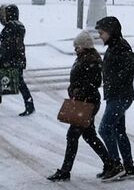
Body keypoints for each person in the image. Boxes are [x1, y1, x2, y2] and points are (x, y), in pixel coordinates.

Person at [47, 30, 112, 181]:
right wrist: (74, 90)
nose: (75, 49)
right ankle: (110, 163)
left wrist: (77, 91)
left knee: (72, 136)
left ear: (85, 46)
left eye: (77, 47)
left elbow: (93, 83)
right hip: (84, 101)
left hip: (86, 102)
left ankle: (65, 171)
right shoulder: (84, 58)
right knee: (89, 136)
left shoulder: (91, 60)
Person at [94, 15, 134, 180]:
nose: (100, 36)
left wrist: (116, 81)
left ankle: (116, 164)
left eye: (102, 32)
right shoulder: (114, 46)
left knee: (105, 129)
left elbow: (131, 67)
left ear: (111, 32)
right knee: (119, 131)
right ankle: (129, 167)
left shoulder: (120, 47)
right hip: (116, 95)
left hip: (120, 95)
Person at [0, 3, 34, 117]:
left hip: (10, 60)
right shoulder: (19, 26)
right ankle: (29, 105)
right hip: (18, 59)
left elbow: (7, 47)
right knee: (20, 83)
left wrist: (3, 61)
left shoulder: (10, 28)